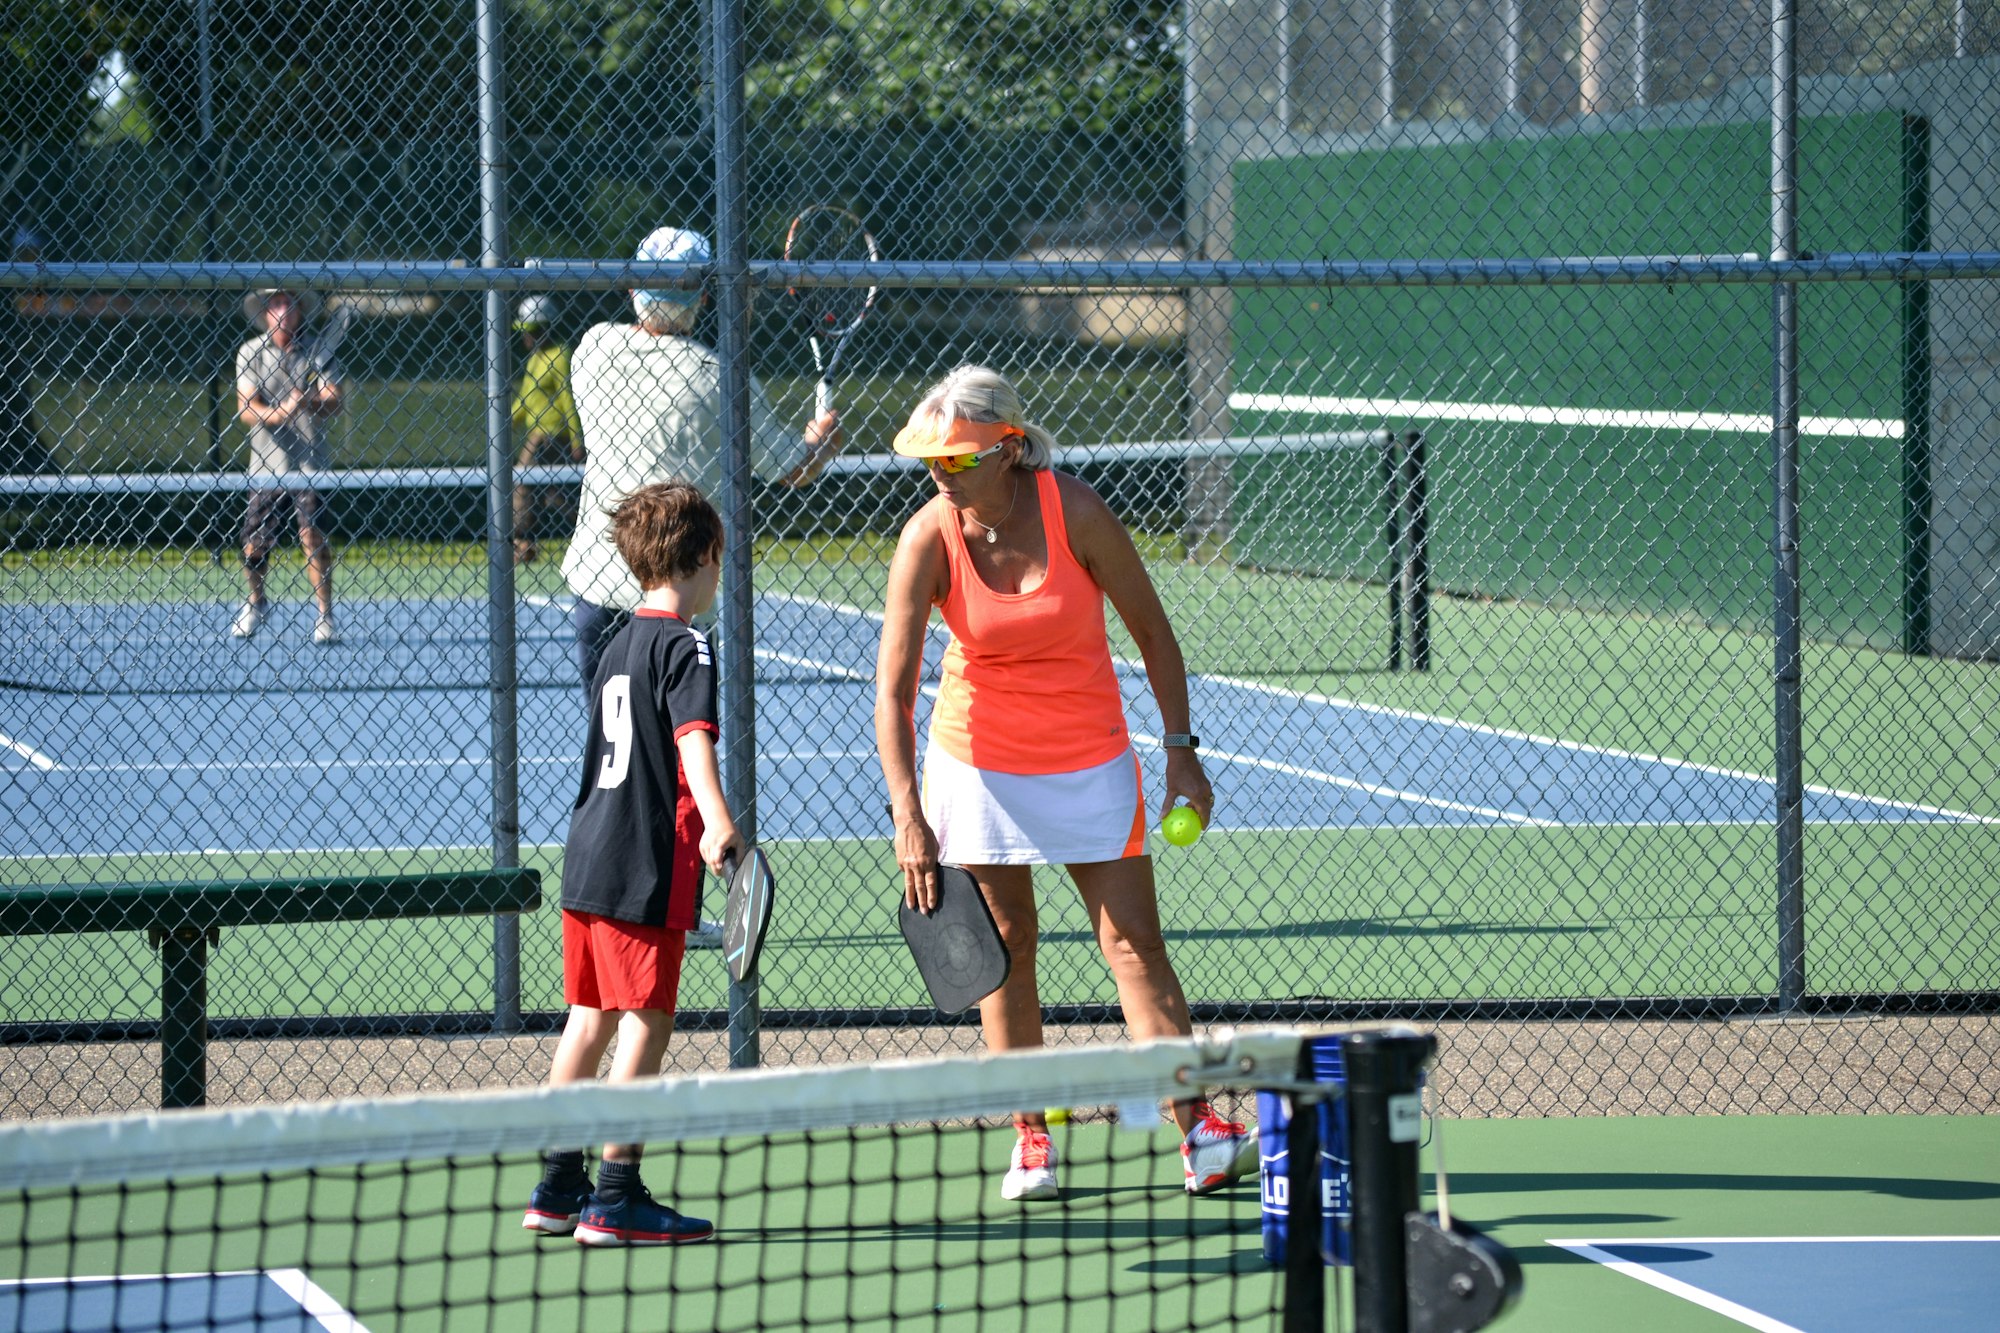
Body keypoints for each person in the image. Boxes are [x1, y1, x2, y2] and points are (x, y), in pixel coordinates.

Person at [873, 365, 1255, 1203]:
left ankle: (1197, 1129)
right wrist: (908, 811)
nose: (942, 471)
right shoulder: (926, 538)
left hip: (1090, 759)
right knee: (1005, 954)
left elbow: (1153, 633)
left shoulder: (1075, 510)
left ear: (1009, 447)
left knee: (1136, 946)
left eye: (960, 458)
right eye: (932, 459)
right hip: (976, 766)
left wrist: (1181, 749)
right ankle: (1033, 1141)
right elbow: (895, 691)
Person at [523, 480, 738, 1247]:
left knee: (589, 1019)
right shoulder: (687, 644)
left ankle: (556, 1184)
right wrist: (720, 823)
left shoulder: (616, 643)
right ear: (706, 556)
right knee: (648, 1021)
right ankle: (614, 1194)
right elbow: (691, 741)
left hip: (586, 859)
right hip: (644, 865)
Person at [561, 224, 843, 691]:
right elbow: (791, 467)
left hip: (602, 579)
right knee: (679, 742)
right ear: (705, 298)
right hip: (682, 593)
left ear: (633, 286)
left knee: (611, 737)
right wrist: (821, 442)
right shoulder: (724, 380)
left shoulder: (594, 350)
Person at [230, 288, 342, 644]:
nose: (283, 309)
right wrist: (280, 412)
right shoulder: (250, 352)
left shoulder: (318, 352)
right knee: (254, 545)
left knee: (313, 537)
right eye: (276, 303)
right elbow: (247, 408)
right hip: (265, 465)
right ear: (265, 312)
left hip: (310, 465)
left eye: (289, 302)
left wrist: (308, 400)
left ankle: (325, 616)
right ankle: (257, 601)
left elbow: (334, 399)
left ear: (298, 310)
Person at [509, 295, 585, 564]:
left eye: (532, 331)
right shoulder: (536, 358)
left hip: (553, 436)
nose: (526, 338)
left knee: (524, 485)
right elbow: (526, 397)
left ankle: (522, 543)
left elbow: (568, 398)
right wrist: (506, 423)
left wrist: (577, 438)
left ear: (546, 328)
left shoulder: (560, 354)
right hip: (537, 435)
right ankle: (528, 543)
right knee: (556, 494)